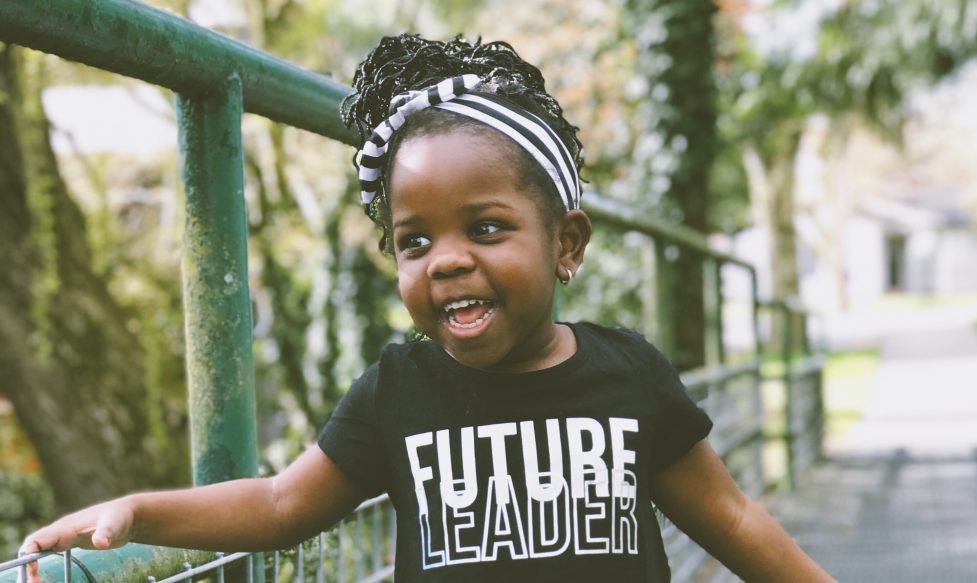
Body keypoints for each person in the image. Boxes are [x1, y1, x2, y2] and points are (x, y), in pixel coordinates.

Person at [20, 34, 834, 583]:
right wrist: (136, 511)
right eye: (414, 241)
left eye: (485, 227)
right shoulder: (397, 388)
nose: (445, 259)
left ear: (567, 244)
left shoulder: (628, 375)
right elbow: (277, 505)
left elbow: (731, 517)